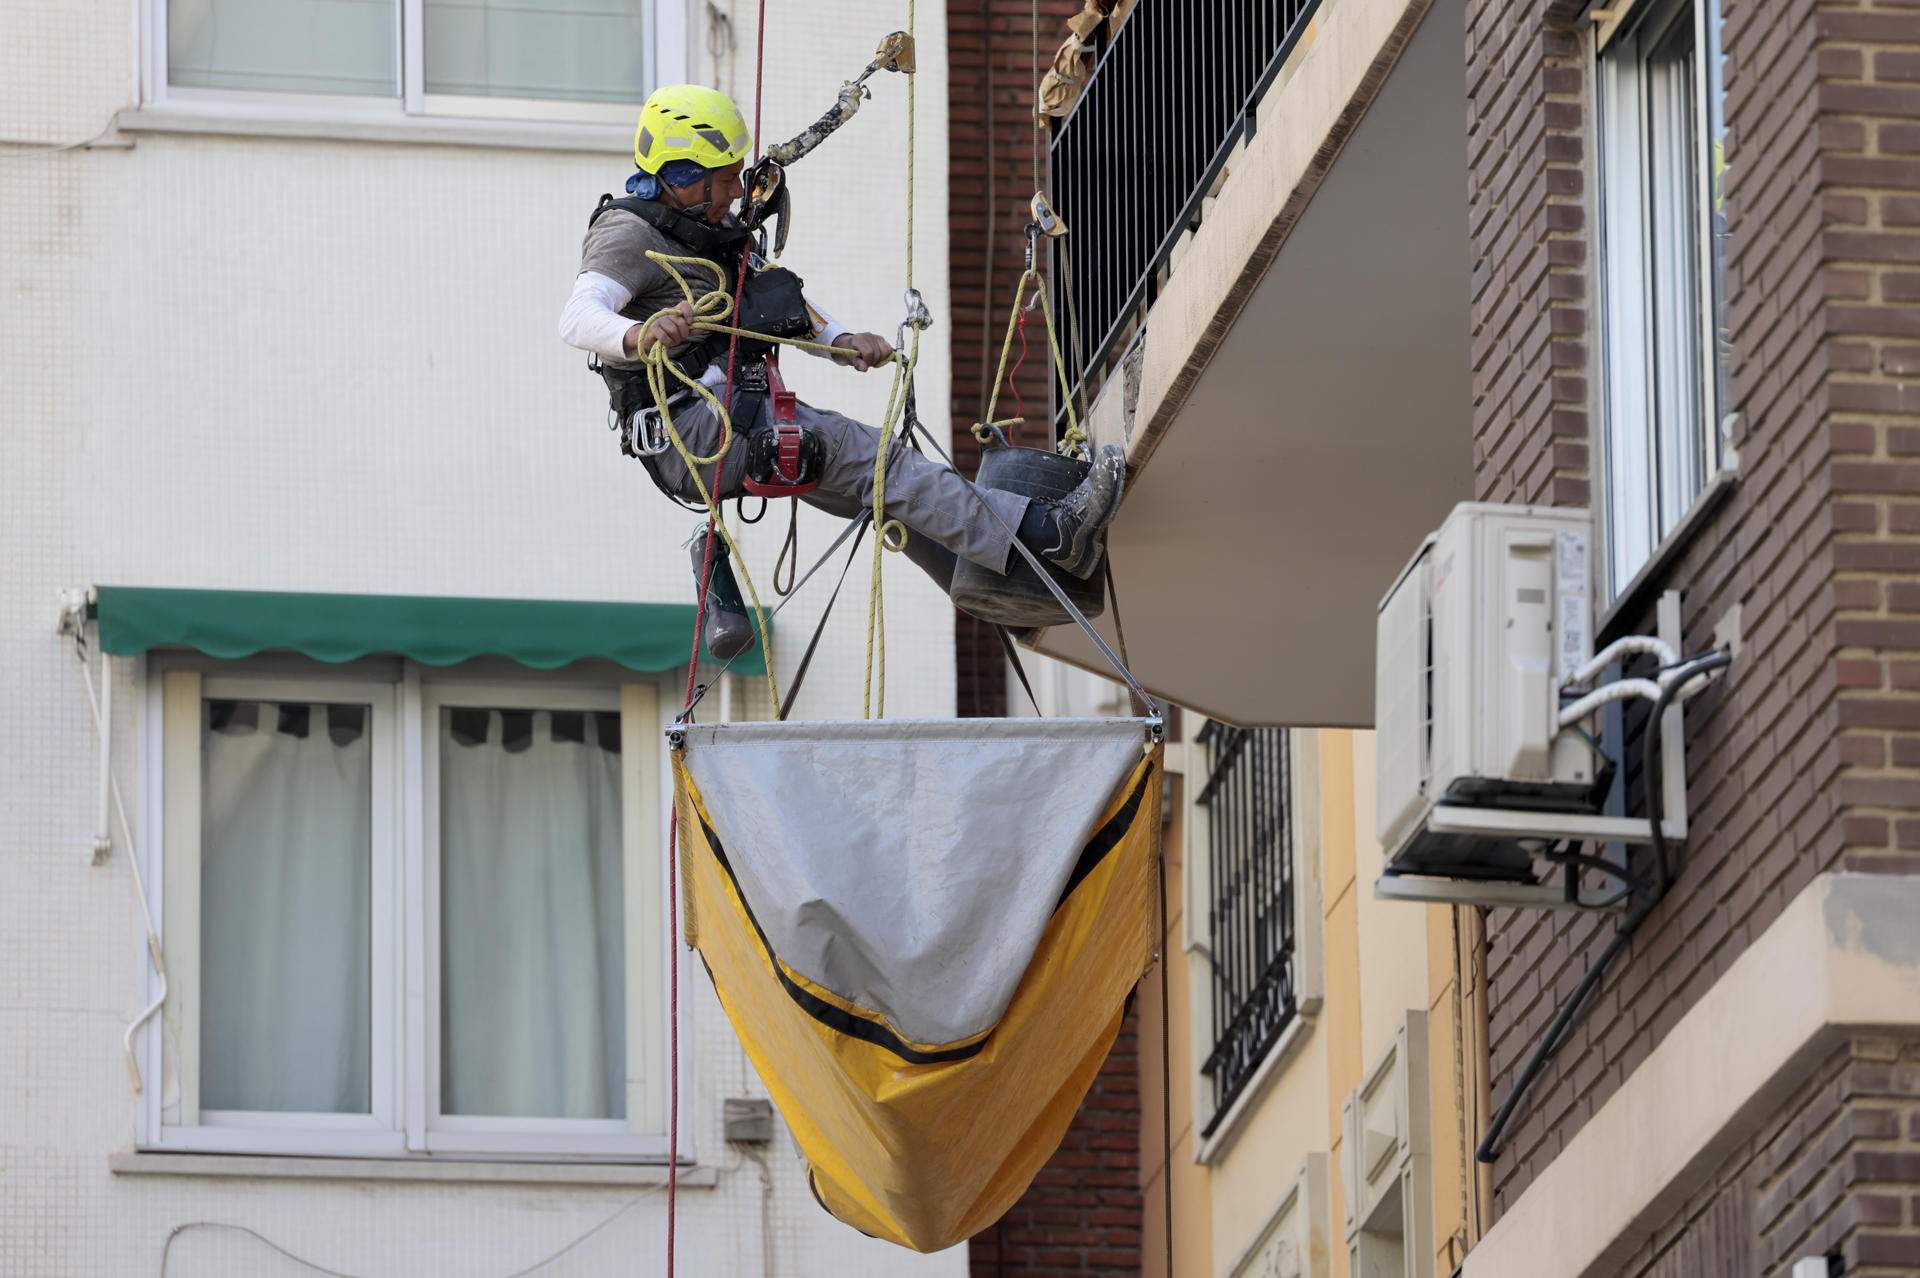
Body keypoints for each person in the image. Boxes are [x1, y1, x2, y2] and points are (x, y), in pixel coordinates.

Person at [558, 83, 1123, 601]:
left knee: (874, 491)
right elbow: (577, 316)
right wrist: (637, 333)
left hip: (738, 418)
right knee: (879, 464)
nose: (736, 189)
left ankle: (989, 582)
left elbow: (775, 305)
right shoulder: (629, 233)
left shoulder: (710, 235)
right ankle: (1051, 535)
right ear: (682, 175)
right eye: (725, 178)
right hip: (697, 432)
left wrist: (841, 339)